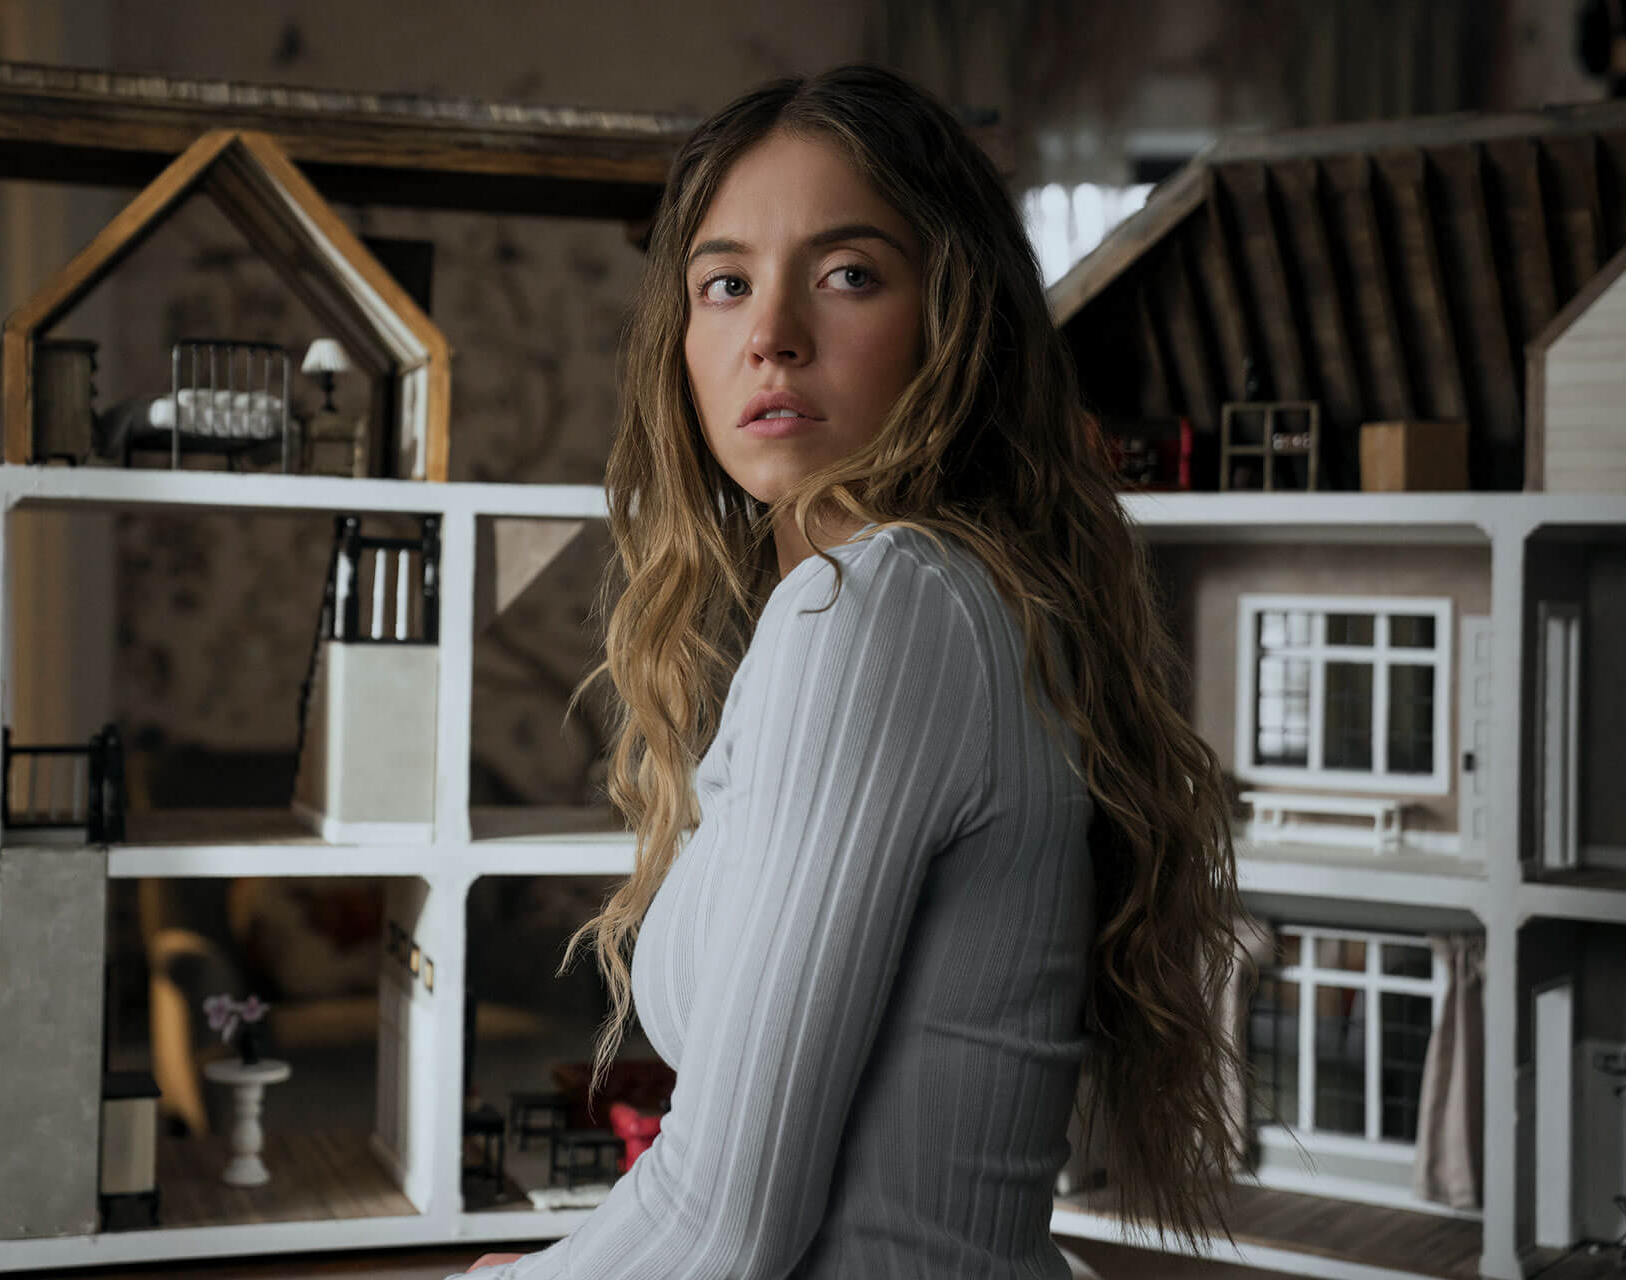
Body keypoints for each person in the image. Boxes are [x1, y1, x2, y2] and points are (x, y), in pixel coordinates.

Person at [460, 63, 1247, 1278]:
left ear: (955, 320)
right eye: (725, 283)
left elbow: (728, 1216)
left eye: (848, 275)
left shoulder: (879, 608)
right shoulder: (917, 600)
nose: (770, 333)